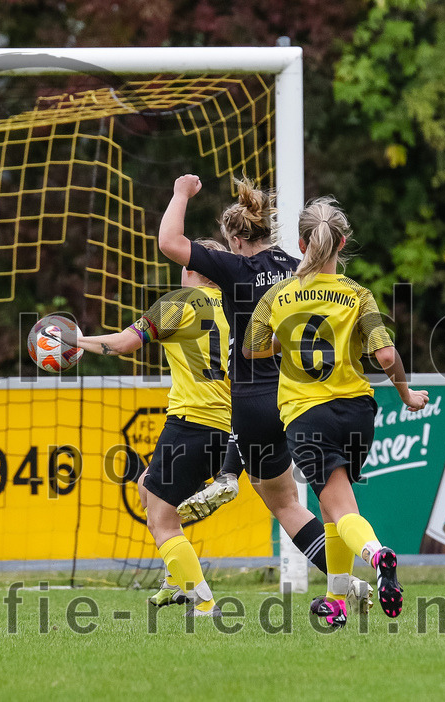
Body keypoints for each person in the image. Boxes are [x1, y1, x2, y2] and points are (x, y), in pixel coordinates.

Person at [158, 174, 370, 612]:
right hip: (299, 399)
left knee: (281, 502)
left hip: (251, 400)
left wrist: (180, 194)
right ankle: (344, 585)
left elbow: (170, 243)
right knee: (319, 505)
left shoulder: (234, 268)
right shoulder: (299, 265)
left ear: (235, 239)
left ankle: (227, 476)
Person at [244, 197, 428, 626]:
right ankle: (337, 601)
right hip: (358, 412)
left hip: (309, 416)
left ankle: (378, 555)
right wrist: (405, 395)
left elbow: (253, 349)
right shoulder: (358, 295)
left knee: (342, 509)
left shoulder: (278, 295)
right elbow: (385, 356)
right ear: (342, 242)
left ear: (302, 242)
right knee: (332, 508)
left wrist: (286, 344)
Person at [62, 247, 231, 617]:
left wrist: (74, 342)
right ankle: (175, 580)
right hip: (226, 428)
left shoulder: (183, 301)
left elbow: (124, 344)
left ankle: (202, 602)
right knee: (146, 487)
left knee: (161, 521)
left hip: (192, 422)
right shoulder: (236, 305)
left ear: (192, 269)